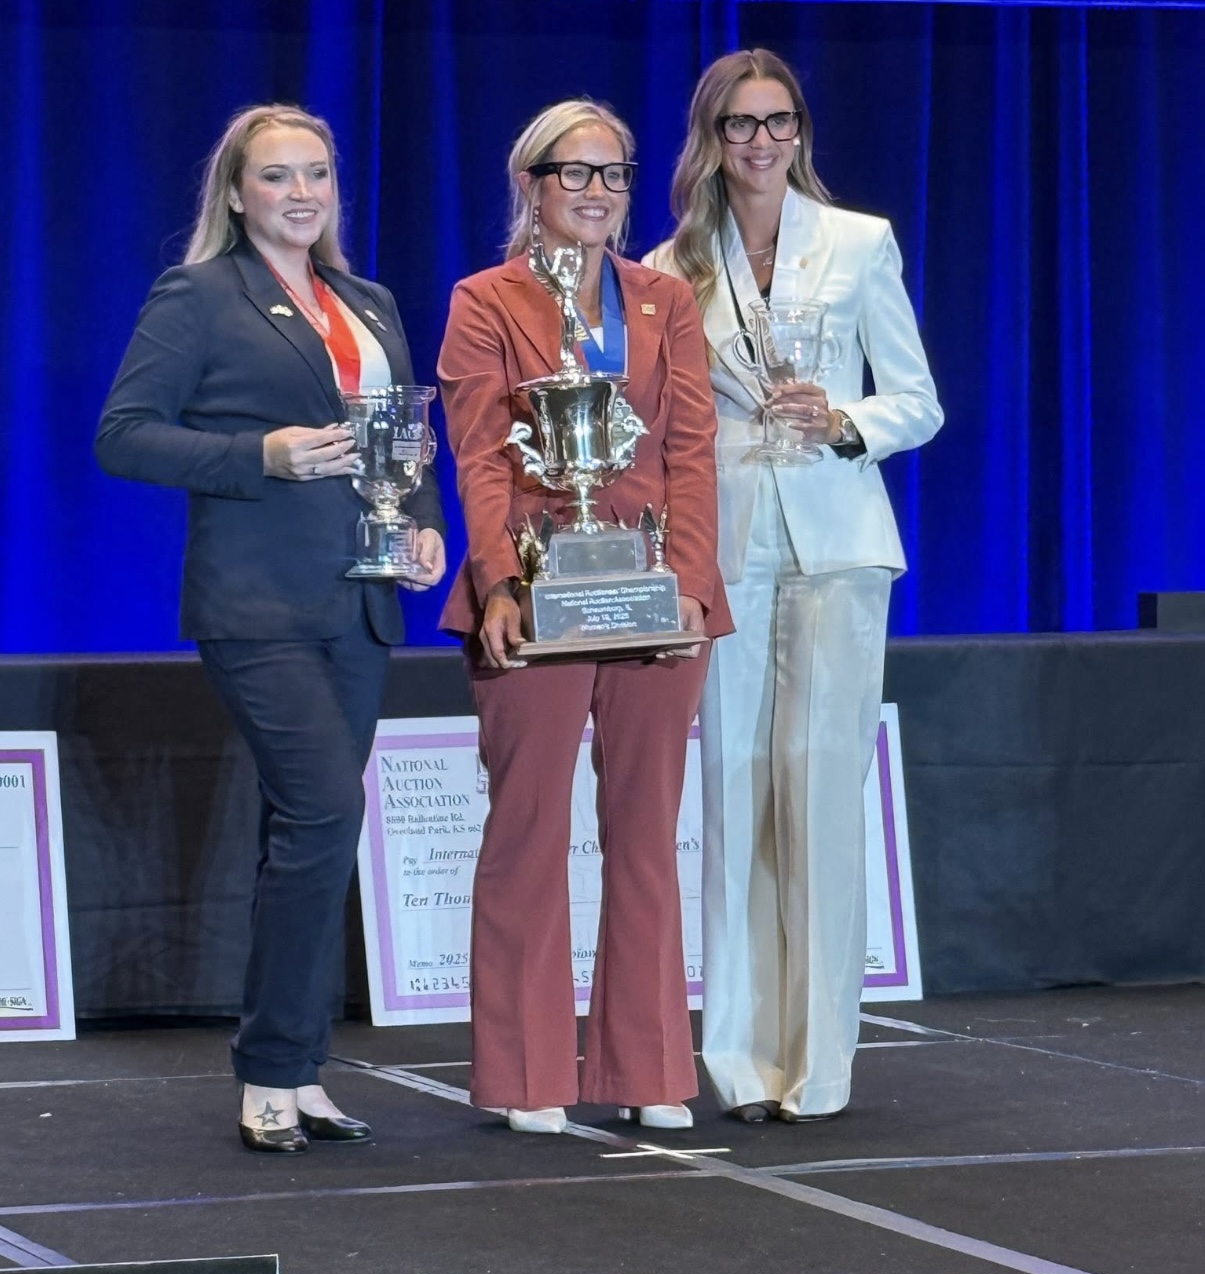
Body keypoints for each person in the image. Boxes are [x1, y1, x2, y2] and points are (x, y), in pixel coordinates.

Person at [96, 104, 446, 1153]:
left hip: (362, 602)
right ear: (238, 194)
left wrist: (425, 528)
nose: (302, 194)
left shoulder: (369, 300)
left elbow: (402, 443)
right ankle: (272, 1067)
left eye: (317, 174)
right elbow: (124, 437)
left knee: (303, 832)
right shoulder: (199, 295)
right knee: (326, 809)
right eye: (278, 176)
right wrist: (261, 455)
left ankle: (295, 1069)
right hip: (258, 606)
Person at [645, 50, 942, 1123]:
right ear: (710, 140)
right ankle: (736, 1061)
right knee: (732, 794)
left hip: (837, 540)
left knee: (818, 797)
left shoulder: (858, 243)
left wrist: (847, 419)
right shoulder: (670, 265)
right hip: (723, 547)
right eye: (739, 124)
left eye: (777, 122)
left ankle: (816, 1069)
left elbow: (917, 400)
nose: (761, 142)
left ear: (800, 133)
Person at [437, 99, 732, 1135]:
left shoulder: (664, 299)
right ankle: (528, 1074)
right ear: (531, 184)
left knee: (646, 834)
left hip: (654, 594)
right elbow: (478, 455)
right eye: (574, 172)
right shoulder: (484, 300)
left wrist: (689, 581)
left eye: (612, 173)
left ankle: (648, 1065)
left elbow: (691, 450)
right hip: (532, 594)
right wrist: (498, 582)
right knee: (527, 831)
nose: (596, 191)